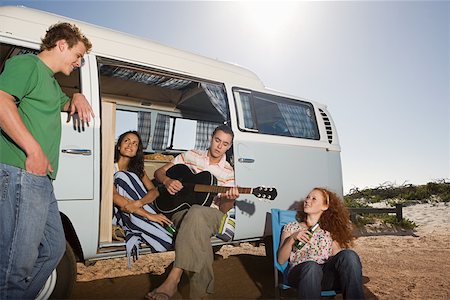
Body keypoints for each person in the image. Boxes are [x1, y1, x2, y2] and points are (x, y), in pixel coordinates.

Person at [0, 23, 93, 299]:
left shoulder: (51, 82)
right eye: (78, 56)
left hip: (41, 180)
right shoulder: (27, 64)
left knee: (53, 248)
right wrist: (34, 150)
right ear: (62, 44)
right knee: (15, 266)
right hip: (22, 172)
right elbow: (2, 100)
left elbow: (61, 103)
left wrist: (76, 95)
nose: (79, 63)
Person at [148, 125, 239, 300]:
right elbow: (160, 172)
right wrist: (167, 181)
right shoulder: (190, 155)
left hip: (212, 214)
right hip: (181, 210)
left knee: (197, 212)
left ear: (229, 146)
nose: (219, 146)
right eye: (217, 140)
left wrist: (230, 199)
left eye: (225, 144)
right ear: (211, 138)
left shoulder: (228, 172)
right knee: (197, 227)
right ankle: (201, 295)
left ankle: (173, 278)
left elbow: (223, 209)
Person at [277, 188, 365, 300]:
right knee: (312, 267)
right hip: (301, 273)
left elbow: (339, 258)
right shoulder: (292, 227)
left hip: (325, 277)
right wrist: (292, 239)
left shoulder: (329, 232)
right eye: (308, 197)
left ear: (325, 206)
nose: (308, 200)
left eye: (314, 198)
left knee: (349, 255)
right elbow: (281, 260)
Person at [113, 130, 174, 266]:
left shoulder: (137, 170)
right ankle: (147, 224)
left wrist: (138, 203)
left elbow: (154, 191)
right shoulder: (110, 167)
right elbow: (115, 197)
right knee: (122, 176)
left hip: (137, 207)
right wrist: (148, 215)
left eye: (135, 143)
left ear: (137, 151)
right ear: (119, 146)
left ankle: (153, 226)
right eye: (127, 141)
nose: (130, 145)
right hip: (122, 211)